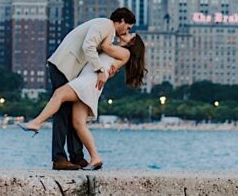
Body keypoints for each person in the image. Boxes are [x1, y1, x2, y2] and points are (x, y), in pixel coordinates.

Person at [18, 31, 146, 171]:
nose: (125, 33)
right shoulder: (119, 51)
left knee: (59, 93)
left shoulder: (124, 52)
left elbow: (103, 46)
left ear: (132, 41)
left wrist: (108, 31)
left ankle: (37, 122)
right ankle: (95, 157)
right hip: (90, 82)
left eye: (128, 33)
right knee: (78, 123)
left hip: (88, 82)